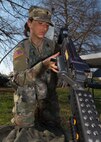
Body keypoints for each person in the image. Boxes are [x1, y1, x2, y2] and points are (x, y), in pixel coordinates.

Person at [3, 5, 66, 142]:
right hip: (27, 102)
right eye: (40, 23)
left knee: (54, 132)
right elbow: (20, 79)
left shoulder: (53, 46)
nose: (44, 28)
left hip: (48, 101)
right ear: (29, 23)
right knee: (24, 134)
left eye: (47, 25)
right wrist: (43, 65)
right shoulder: (21, 49)